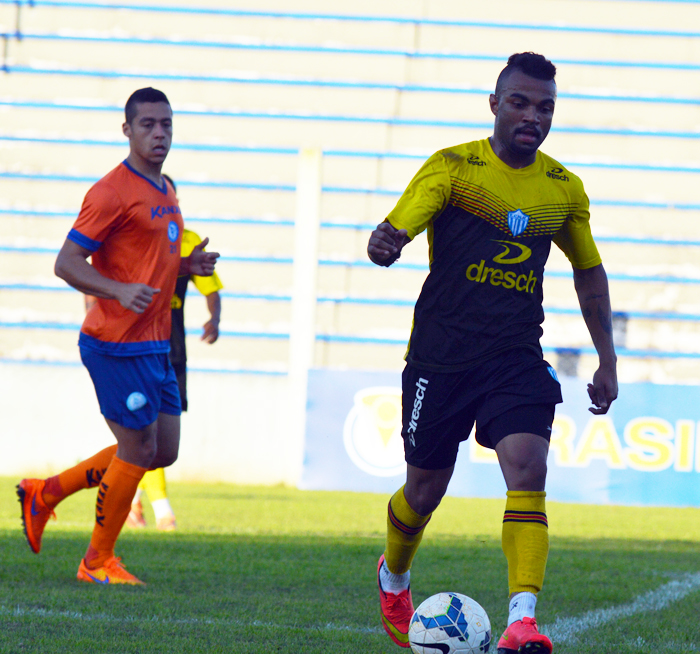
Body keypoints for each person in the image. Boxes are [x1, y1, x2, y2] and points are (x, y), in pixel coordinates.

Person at [368, 53, 617, 653]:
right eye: (522, 103)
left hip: (514, 355)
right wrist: (388, 239)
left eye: (546, 106)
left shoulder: (563, 189)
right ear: (495, 105)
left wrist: (607, 358)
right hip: (440, 355)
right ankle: (394, 576)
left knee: (528, 465)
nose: (534, 115)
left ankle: (523, 619)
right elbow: (401, 224)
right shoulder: (453, 169)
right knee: (423, 492)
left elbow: (589, 273)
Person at [16, 87, 219, 585]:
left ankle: (46, 492)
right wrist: (115, 289)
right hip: (115, 345)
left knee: (160, 451)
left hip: (157, 343)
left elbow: (156, 261)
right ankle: (96, 561)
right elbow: (65, 263)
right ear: (126, 130)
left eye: (166, 124)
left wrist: (187, 266)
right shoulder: (110, 192)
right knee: (137, 448)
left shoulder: (166, 192)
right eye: (147, 124)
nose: (159, 133)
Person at [127, 173, 224, 532]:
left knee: (161, 440)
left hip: (173, 349)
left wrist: (214, 317)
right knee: (146, 434)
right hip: (136, 345)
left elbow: (209, 286)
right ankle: (161, 509)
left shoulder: (188, 242)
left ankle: (131, 500)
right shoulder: (134, 236)